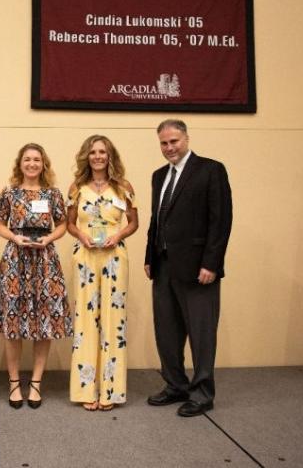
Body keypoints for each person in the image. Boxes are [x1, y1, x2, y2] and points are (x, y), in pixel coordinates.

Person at [144, 119, 232, 417]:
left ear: (186, 139)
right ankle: (175, 385)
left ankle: (203, 392)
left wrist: (212, 263)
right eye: (164, 143)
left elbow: (220, 221)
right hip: (163, 266)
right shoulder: (159, 176)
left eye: (174, 141)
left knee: (201, 332)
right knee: (166, 331)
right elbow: (157, 221)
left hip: (198, 268)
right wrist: (149, 257)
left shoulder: (210, 170)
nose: (169, 147)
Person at [0, 143, 71, 409]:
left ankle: (36, 382)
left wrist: (48, 237)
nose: (32, 164)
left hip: (45, 262)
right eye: (27, 159)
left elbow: (62, 224)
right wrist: (14, 236)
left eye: (37, 159)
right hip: (16, 259)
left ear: (43, 164)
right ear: (20, 163)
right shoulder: (9, 193)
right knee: (13, 322)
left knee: (45, 322)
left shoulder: (52, 194)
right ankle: (14, 382)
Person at [66, 135, 138, 411]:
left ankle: (110, 391)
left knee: (113, 319)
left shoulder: (123, 187)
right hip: (85, 256)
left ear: (110, 156)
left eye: (103, 152)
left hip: (114, 256)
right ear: (87, 156)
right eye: (93, 152)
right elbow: (70, 223)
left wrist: (118, 234)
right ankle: (86, 390)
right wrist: (81, 236)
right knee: (85, 320)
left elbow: (134, 222)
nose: (98, 156)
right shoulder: (76, 187)